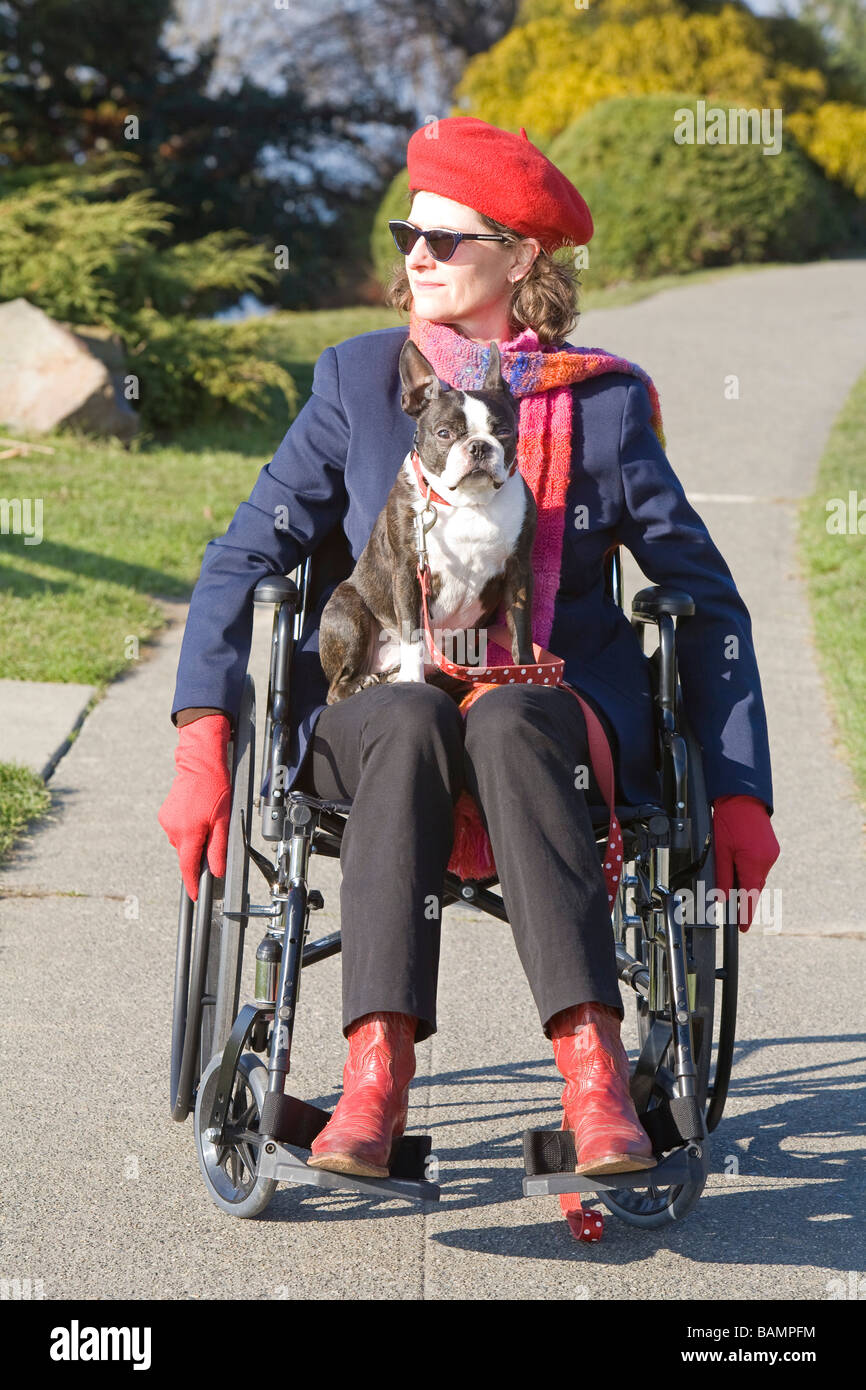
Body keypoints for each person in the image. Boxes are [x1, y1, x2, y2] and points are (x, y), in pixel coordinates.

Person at [158, 117, 780, 1182]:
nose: (415, 256)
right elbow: (241, 558)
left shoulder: (605, 402)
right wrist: (203, 729)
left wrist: (735, 788)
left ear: (521, 257)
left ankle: (592, 1075)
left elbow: (701, 595)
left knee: (505, 710)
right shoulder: (357, 383)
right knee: (408, 713)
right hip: (380, 701)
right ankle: (373, 1079)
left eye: (445, 240)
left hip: (548, 715)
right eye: (411, 233)